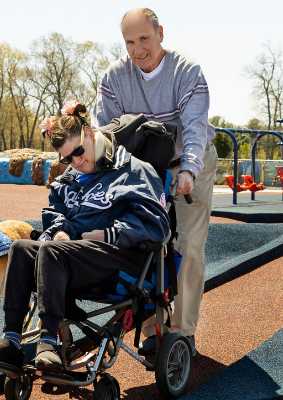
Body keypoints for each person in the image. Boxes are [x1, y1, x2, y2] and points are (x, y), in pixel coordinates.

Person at [0, 102, 170, 371]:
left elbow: (157, 224)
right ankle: (11, 342)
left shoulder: (134, 170)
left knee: (52, 252)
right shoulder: (67, 181)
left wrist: (108, 234)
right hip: (73, 258)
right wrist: (59, 232)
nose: (75, 161)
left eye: (78, 151)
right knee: (21, 247)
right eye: (66, 158)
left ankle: (48, 342)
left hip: (121, 258)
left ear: (89, 132)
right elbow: (55, 216)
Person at [92, 7, 215, 356]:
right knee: (143, 242)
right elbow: (104, 131)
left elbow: (194, 128)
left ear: (160, 33)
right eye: (129, 42)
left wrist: (189, 170)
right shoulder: (115, 77)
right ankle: (153, 325)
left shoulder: (186, 71)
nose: (137, 49)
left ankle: (183, 331)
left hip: (190, 162)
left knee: (187, 245)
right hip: (143, 170)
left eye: (144, 38)